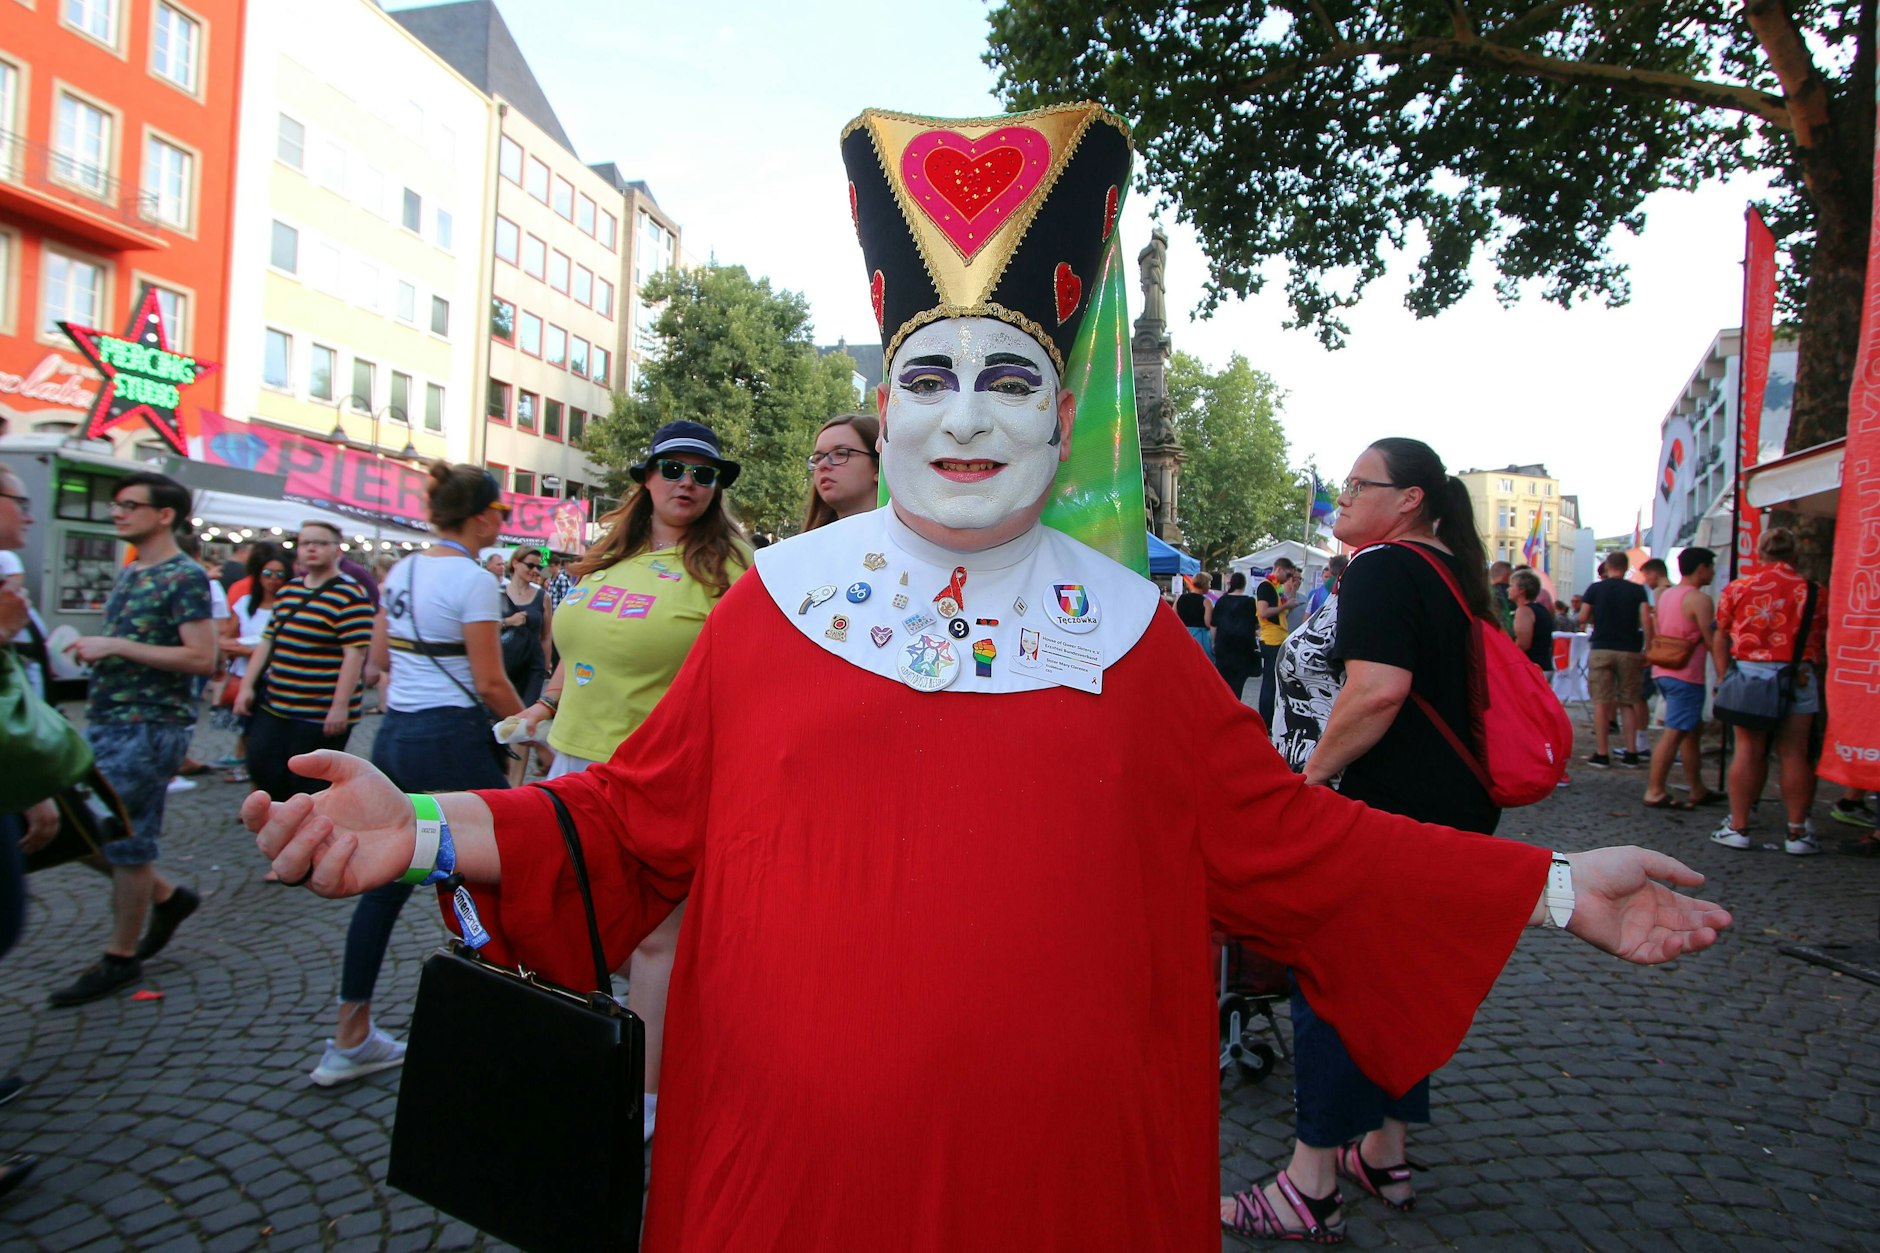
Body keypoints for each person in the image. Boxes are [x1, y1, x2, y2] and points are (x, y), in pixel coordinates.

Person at [242, 103, 1730, 1252]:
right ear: (885, 406)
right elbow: (629, 824)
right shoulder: (778, 604)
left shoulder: (1131, 631)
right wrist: (419, 827)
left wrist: (1547, 888)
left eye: (1008, 378)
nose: (966, 417)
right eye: (931, 379)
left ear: (1060, 405)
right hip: (786, 1186)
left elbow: (1292, 850)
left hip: (1070, 1189)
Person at [1228, 437, 1505, 1240]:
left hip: (1369, 808)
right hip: (1437, 809)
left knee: (1332, 978)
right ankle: (1384, 1148)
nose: (1342, 497)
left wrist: (1306, 785)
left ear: (1409, 498)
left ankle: (1310, 1181)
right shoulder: (1448, 570)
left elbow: (1379, 690)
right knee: (1397, 981)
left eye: (1358, 484)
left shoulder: (1387, 566)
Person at [513, 420, 749, 1141]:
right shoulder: (605, 558)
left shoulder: (728, 568)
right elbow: (577, 651)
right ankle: (583, 1058)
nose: (688, 482)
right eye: (674, 468)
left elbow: (749, 676)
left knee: (652, 940)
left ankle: (644, 1098)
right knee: (569, 921)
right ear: (647, 476)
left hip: (659, 775)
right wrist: (545, 707)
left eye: (704, 474)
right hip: (573, 766)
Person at [305, 464, 524, 1087]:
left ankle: (351, 1033)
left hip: (397, 733)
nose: (502, 522)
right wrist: (529, 725)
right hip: (451, 737)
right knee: (497, 870)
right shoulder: (473, 580)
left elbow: (378, 661)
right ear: (482, 515)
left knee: (386, 878)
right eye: (501, 512)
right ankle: (516, 1019)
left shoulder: (402, 570)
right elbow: (489, 682)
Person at [52, 471, 210, 1006]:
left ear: (164, 515)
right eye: (117, 504)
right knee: (77, 831)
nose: (117, 512)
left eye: (129, 505)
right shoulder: (131, 572)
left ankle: (120, 958)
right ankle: (165, 897)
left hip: (149, 726)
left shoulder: (184, 576)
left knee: (124, 841)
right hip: (106, 721)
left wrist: (114, 645)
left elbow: (202, 658)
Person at [235, 522, 373, 805]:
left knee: (309, 784)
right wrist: (247, 686)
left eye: (320, 543)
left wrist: (340, 705)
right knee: (262, 766)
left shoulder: (351, 595)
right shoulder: (289, 591)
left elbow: (354, 654)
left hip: (318, 711)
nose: (311, 548)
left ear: (337, 550)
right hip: (276, 703)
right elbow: (268, 641)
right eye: (305, 543)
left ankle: (310, 839)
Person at [1711, 528, 1825, 856]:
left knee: (1748, 750)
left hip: (1750, 675)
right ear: (1794, 554)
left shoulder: (1739, 588)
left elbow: (1720, 635)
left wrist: (1722, 678)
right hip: (1797, 676)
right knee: (1795, 754)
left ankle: (1739, 827)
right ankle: (1797, 832)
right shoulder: (1814, 591)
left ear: (1759, 552)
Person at [1642, 547, 1718, 810]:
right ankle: (1654, 790)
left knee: (1689, 732)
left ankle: (1697, 788)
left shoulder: (1665, 595)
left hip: (1664, 669)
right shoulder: (1699, 599)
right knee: (1675, 732)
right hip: (1687, 674)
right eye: (1711, 567)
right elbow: (1712, 641)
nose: (1713, 572)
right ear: (1701, 569)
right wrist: (1722, 672)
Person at [219, 543, 291, 784]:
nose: (273, 580)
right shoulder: (246, 604)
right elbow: (224, 640)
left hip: (276, 679)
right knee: (248, 733)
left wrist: (254, 650)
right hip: (245, 678)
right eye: (268, 574)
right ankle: (252, 780)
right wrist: (247, 649)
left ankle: (260, 785)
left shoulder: (289, 606)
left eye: (280, 575)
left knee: (266, 738)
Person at [1578, 552, 1651, 768]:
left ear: (1607, 567)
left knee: (1602, 702)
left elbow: (1582, 617)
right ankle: (1631, 752)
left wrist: (1597, 619)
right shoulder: (1638, 590)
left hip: (1602, 647)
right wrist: (1649, 648)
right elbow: (1646, 620)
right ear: (1626, 567)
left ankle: (1602, 753)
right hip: (1629, 649)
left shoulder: (1596, 588)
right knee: (1628, 702)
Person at [802, 412, 882, 531]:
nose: (823, 465)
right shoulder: (802, 547)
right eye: (818, 458)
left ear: (878, 466)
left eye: (841, 453)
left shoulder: (913, 545)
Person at [1256, 557, 1302, 724]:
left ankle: (1269, 719)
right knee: (1269, 681)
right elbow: (1263, 612)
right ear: (1280, 569)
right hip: (1271, 640)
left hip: (1278, 637)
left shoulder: (1276, 587)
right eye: (1288, 574)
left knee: (1274, 681)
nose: (1289, 578)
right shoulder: (1266, 586)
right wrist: (1285, 606)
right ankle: (1265, 720)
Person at [1211, 571, 1261, 701]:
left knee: (1223, 683)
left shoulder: (1222, 601)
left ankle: (1224, 706)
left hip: (1224, 645)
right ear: (1244, 584)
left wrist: (1213, 643)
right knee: (1238, 684)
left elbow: (1214, 624)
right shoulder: (1249, 602)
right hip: (1243, 647)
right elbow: (1254, 624)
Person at [1509, 569, 1553, 674]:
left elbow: (1523, 644)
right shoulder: (1542, 609)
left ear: (1521, 590)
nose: (1508, 589)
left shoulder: (1523, 611)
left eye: (1511, 586)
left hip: (1531, 667)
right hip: (1544, 665)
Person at [1175, 572, 1213, 658]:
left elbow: (1174, 617)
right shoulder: (1207, 602)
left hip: (1183, 635)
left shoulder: (1180, 598)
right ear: (1205, 585)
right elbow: (1208, 622)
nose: (1210, 587)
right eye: (1209, 584)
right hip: (1200, 637)